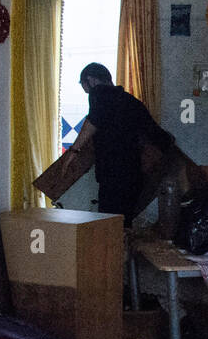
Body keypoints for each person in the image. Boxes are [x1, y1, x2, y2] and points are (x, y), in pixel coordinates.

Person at [73, 62, 175, 221]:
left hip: (112, 174)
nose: (87, 93)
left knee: (109, 223)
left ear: (91, 80)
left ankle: (112, 246)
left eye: (85, 87)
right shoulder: (131, 101)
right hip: (134, 174)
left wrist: (74, 150)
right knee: (124, 222)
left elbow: (92, 122)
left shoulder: (99, 93)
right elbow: (162, 138)